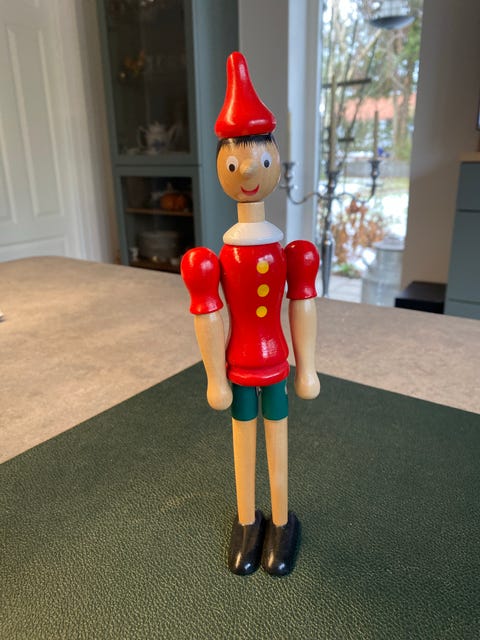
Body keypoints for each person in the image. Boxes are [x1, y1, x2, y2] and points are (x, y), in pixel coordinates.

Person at [181, 52, 320, 576]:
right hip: (240, 365)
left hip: (275, 364)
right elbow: (209, 311)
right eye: (234, 164)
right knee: (243, 441)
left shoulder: (290, 252)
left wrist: (306, 369)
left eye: (262, 162)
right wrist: (215, 377)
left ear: (275, 165)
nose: (248, 174)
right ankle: (247, 519)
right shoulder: (217, 257)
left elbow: (301, 303)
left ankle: (280, 520)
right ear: (222, 168)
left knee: (277, 440)